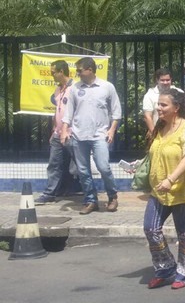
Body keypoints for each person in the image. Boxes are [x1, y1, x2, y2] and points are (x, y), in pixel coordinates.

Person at [143, 89, 185, 290]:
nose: (158, 108)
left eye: (163, 105)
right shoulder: (160, 127)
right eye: (158, 104)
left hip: (182, 188)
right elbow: (156, 153)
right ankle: (166, 268)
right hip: (159, 189)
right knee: (151, 228)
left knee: (184, 233)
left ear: (176, 108)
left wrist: (171, 179)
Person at [61, 57, 122, 215]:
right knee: (83, 171)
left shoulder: (106, 87)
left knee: (103, 167)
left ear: (90, 69)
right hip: (79, 135)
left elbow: (116, 112)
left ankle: (112, 196)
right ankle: (90, 200)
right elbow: (69, 112)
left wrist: (112, 130)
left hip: (99, 135)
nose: (78, 73)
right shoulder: (75, 88)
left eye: (80, 70)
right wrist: (64, 130)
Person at [35, 60, 80, 204]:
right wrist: (54, 130)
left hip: (72, 133)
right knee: (54, 163)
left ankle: (88, 194)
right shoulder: (58, 89)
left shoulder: (75, 88)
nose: (52, 75)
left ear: (62, 72)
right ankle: (50, 193)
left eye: (53, 72)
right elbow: (57, 111)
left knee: (79, 165)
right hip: (57, 134)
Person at [143, 68, 183, 138]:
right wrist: (154, 134)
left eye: (167, 80)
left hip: (178, 131)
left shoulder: (179, 92)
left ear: (171, 79)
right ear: (157, 80)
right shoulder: (150, 95)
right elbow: (147, 116)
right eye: (162, 80)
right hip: (159, 132)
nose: (165, 83)